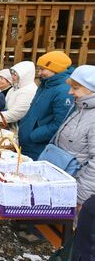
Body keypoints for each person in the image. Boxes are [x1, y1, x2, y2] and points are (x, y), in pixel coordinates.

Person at [51, 65, 95, 207]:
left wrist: (80, 197)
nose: (70, 92)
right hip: (66, 184)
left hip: (77, 192)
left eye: (75, 88)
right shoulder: (82, 108)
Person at [19, 51, 74, 160]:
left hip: (39, 145)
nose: (39, 73)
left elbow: (61, 123)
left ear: (55, 69)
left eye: (42, 69)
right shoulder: (45, 84)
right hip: (29, 142)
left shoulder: (64, 90)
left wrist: (35, 135)